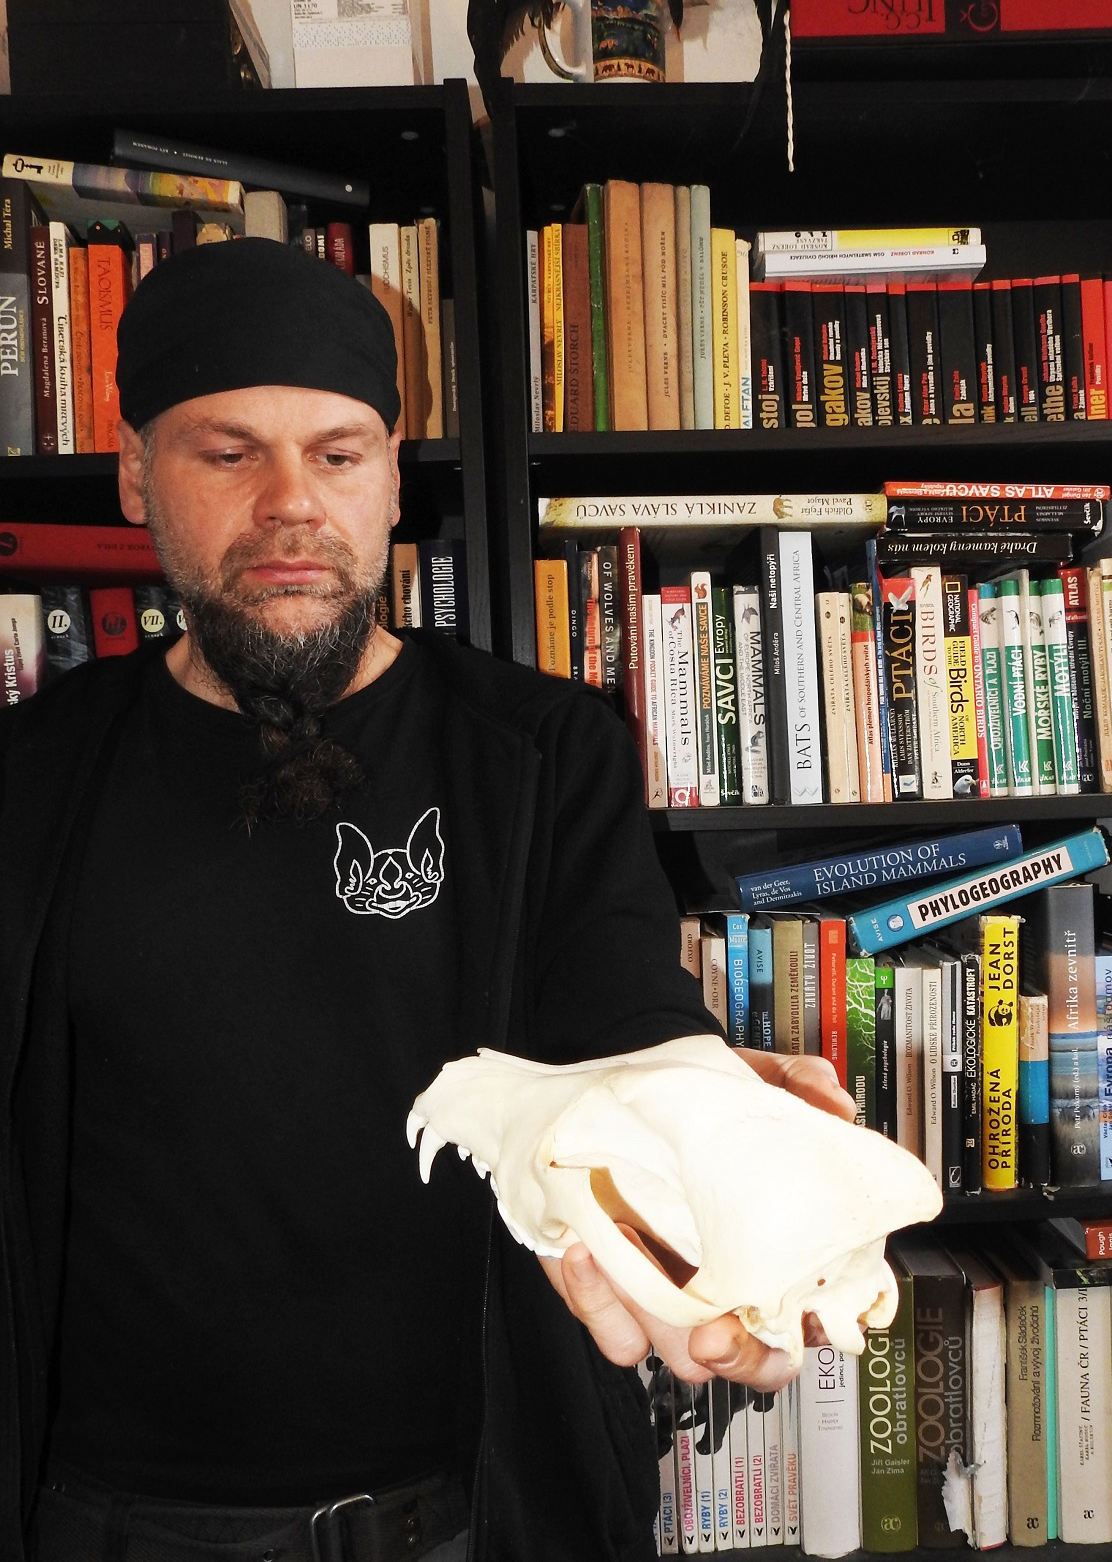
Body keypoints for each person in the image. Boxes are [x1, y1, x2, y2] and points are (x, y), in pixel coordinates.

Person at [0, 237, 855, 1562]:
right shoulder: (33, 775)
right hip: (105, 1520)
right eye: (228, 453)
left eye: (337, 454)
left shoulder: (543, 754)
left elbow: (623, 1017)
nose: (290, 503)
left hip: (468, 1516)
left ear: (392, 478)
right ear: (134, 474)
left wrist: (698, 1127)